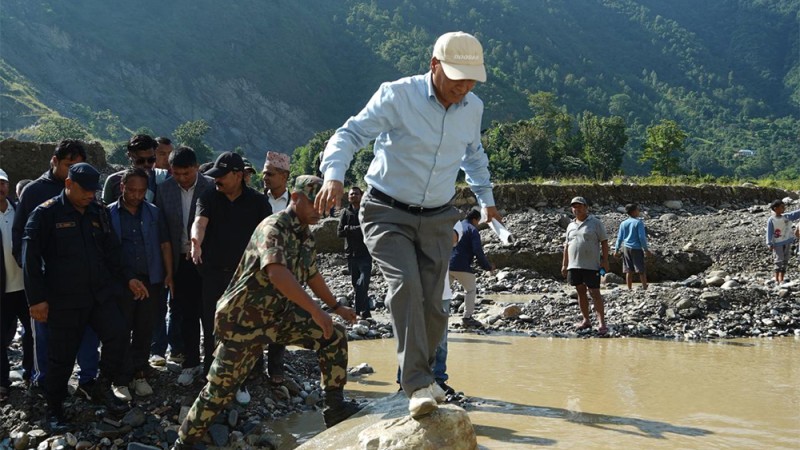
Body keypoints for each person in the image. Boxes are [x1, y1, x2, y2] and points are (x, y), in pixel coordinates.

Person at [316, 31, 501, 419]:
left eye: (471, 81)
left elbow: (474, 156)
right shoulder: (397, 95)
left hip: (438, 216)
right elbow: (350, 133)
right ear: (434, 66)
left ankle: (426, 376)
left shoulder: (473, 107)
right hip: (386, 211)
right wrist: (334, 174)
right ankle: (415, 384)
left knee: (435, 304)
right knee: (405, 286)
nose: (464, 88)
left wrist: (488, 201)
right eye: (457, 79)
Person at [171, 176, 361, 449]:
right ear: (295, 198)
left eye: (325, 204)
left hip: (277, 317)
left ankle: (335, 408)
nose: (320, 209)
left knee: (334, 335)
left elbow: (312, 274)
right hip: (243, 321)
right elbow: (276, 272)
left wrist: (335, 306)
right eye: (314, 202)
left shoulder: (304, 234)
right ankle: (183, 443)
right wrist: (316, 311)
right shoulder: (273, 227)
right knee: (220, 389)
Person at [23, 163, 147, 429]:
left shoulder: (97, 211)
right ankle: (54, 409)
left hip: (98, 295)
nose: (91, 194)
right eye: (85, 190)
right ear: (69, 184)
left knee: (118, 334)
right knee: (61, 357)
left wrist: (129, 277)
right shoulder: (46, 214)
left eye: (93, 190)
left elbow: (113, 252)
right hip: (64, 300)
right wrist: (36, 300)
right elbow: (30, 260)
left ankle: (101, 386)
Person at [11, 140, 101, 400]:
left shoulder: (88, 194)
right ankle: (44, 383)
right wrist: (37, 285)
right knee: (44, 336)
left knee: (88, 334)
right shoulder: (35, 192)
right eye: (68, 165)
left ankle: (88, 380)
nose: (73, 171)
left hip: (82, 285)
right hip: (48, 285)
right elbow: (22, 242)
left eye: (78, 166)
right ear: (54, 161)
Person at [187, 152, 272, 399]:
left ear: (238, 175)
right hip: (213, 274)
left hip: (245, 277)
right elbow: (199, 223)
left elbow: (268, 236)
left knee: (243, 327)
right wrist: (195, 242)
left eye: (222, 176)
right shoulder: (209, 196)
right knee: (212, 324)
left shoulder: (258, 202)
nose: (217, 180)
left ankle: (241, 378)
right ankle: (211, 375)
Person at [109, 168, 172, 396]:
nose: (136, 196)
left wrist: (169, 274)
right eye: (132, 190)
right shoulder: (109, 214)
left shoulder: (154, 213)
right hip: (121, 281)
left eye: (141, 191)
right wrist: (125, 278)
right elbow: (107, 251)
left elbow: (164, 244)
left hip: (149, 280)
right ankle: (120, 378)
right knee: (120, 329)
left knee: (145, 329)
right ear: (122, 187)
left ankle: (139, 373)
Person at [153, 147, 214, 370]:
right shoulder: (165, 189)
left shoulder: (211, 187)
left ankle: (212, 363)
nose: (182, 178)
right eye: (177, 173)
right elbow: (162, 229)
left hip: (208, 260)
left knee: (209, 313)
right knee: (186, 313)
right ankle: (190, 361)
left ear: (196, 167)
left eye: (186, 173)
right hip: (179, 260)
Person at [259, 151, 294, 384]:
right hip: (259, 267)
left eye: (270, 174)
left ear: (284, 176)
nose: (265, 178)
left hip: (286, 268)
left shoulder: (295, 203)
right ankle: (254, 366)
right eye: (264, 174)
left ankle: (276, 367)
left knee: (281, 317)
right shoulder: (256, 200)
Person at [1, 168, 32, 403]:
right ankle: (2, 382)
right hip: (2, 290)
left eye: (3, 183)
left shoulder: (20, 210)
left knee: (32, 332)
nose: (0, 188)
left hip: (26, 286)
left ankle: (31, 373)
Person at [562, 196, 609, 336]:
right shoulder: (570, 225)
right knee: (580, 291)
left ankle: (602, 323)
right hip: (574, 265)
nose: (576, 209)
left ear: (586, 207)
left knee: (595, 293)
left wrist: (605, 261)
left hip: (592, 265)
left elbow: (604, 242)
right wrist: (564, 264)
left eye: (579, 206)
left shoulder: (595, 223)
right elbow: (566, 246)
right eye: (574, 206)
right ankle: (586, 320)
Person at [449, 208, 494, 327]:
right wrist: (487, 266)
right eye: (478, 221)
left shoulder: (456, 226)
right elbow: (477, 250)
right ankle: (467, 317)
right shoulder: (472, 230)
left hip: (447, 264)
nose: (478, 224)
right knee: (470, 290)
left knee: (442, 291)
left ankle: (433, 314)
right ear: (474, 220)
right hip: (462, 265)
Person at [337, 186, 373, 319]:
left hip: (365, 253)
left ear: (361, 195)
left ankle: (357, 312)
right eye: (351, 194)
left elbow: (368, 229)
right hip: (351, 254)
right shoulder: (345, 213)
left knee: (362, 282)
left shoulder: (366, 211)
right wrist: (355, 229)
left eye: (356, 194)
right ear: (348, 197)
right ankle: (366, 312)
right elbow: (339, 232)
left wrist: (350, 229)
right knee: (356, 284)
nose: (353, 196)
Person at [101, 134, 167, 205]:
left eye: (151, 160)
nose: (146, 164)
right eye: (140, 161)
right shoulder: (113, 181)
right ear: (130, 155)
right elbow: (106, 209)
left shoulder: (164, 179)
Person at [614, 203, 653, 290]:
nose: (639, 211)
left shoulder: (623, 223)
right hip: (636, 248)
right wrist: (646, 249)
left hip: (626, 248)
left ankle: (629, 288)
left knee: (628, 270)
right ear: (634, 211)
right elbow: (641, 237)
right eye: (638, 210)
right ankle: (644, 287)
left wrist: (616, 250)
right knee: (641, 269)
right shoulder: (638, 223)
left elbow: (619, 238)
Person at [766, 199, 800, 284]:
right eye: (782, 207)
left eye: (784, 207)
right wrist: (769, 243)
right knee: (778, 260)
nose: (784, 208)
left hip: (787, 241)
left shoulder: (786, 216)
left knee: (785, 260)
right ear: (775, 208)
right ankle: (776, 279)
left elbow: (796, 214)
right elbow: (769, 232)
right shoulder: (771, 219)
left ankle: (781, 279)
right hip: (777, 243)